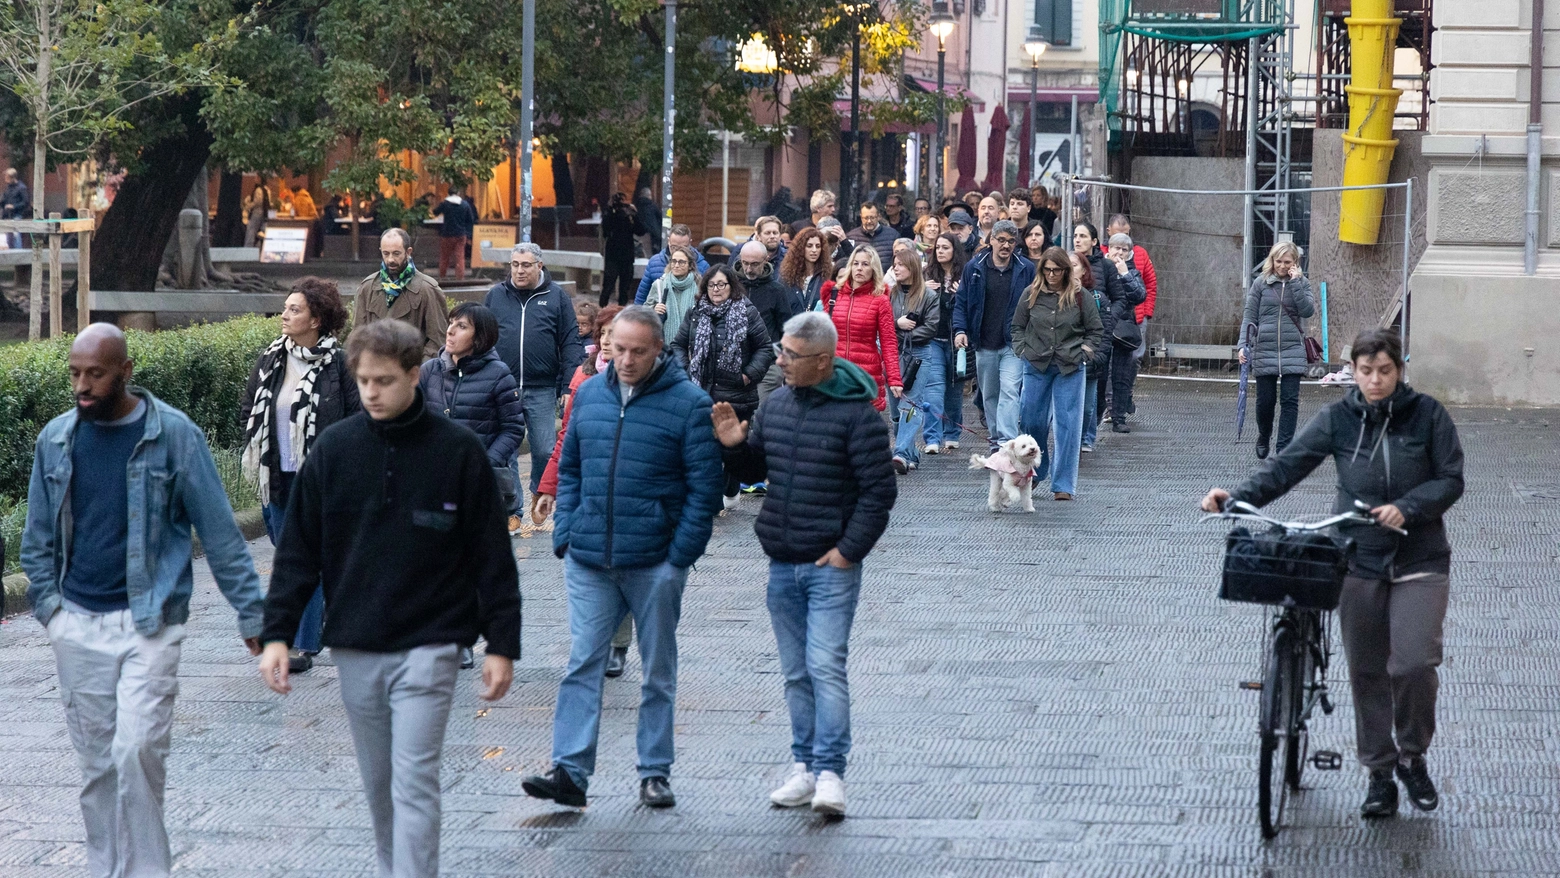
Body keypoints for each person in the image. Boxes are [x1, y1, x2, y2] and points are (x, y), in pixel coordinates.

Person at [260, 319, 521, 878]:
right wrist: (278, 633)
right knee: (380, 784)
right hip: (356, 641)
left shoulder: (459, 452)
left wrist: (502, 642)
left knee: (416, 776)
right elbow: (298, 551)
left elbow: (491, 555)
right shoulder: (335, 450)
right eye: (364, 381)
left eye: (383, 380)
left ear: (413, 375)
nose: (372, 392)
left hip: (433, 640)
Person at [23, 324, 265, 878]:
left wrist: (251, 611)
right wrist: (51, 613)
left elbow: (222, 534)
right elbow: (36, 540)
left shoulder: (174, 436)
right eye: (75, 374)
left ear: (126, 372)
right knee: (97, 768)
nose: (82, 386)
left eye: (96, 374)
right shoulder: (56, 439)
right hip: (76, 623)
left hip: (149, 621)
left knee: (136, 754)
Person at [1201, 329, 1464, 821]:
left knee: (1412, 665)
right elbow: (1288, 466)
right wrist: (1236, 499)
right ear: (1355, 371)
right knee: (1367, 673)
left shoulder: (1428, 415)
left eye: (1385, 371)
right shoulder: (1340, 418)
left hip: (1419, 559)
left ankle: (1412, 754)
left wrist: (1407, 508)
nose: (1375, 380)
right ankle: (1380, 774)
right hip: (1358, 556)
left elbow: (1451, 478)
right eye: (1366, 371)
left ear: (1399, 371)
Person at [522, 307, 724, 810]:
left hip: (655, 560)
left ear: (659, 349)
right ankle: (569, 771)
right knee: (582, 663)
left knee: (657, 669)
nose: (626, 360)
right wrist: (565, 533)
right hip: (590, 556)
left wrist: (679, 556)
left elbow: (705, 490)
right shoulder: (589, 394)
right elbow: (570, 468)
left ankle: (654, 771)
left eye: (638, 351)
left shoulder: (689, 404)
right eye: (618, 349)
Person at [711, 311, 897, 817]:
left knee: (825, 667)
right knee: (796, 673)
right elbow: (756, 468)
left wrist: (848, 551)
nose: (781, 361)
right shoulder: (777, 405)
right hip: (782, 560)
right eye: (781, 352)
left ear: (823, 360)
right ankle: (804, 767)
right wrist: (732, 447)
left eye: (790, 355)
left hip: (830, 565)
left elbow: (880, 493)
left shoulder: (858, 415)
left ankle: (831, 772)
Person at [240, 277, 358, 675]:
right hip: (275, 475)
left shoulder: (340, 364)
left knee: (300, 557)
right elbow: (249, 411)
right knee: (285, 546)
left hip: (320, 480)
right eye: (285, 308)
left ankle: (301, 643)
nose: (285, 316)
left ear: (317, 319)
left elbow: (356, 419)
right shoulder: (271, 359)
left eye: (294, 310)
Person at [535, 305, 637, 677]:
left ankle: (618, 645)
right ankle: (593, 640)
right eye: (604, 333)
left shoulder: (640, 380)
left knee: (621, 570)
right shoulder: (583, 375)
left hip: (628, 489)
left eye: (616, 333)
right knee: (590, 570)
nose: (609, 341)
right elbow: (567, 437)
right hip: (587, 489)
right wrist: (549, 485)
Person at [484, 242, 584, 525]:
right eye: (515, 264)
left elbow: (570, 343)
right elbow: (483, 338)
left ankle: (539, 492)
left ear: (539, 266)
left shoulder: (556, 297)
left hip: (542, 387)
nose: (519, 270)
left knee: (544, 448)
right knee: (508, 453)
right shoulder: (496, 296)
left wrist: (568, 386)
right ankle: (512, 510)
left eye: (526, 265)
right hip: (504, 387)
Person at [419, 300, 527, 560]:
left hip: (478, 483)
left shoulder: (499, 374)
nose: (451, 331)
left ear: (479, 337)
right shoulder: (429, 371)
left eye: (462, 326)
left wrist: (487, 462)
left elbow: (513, 428)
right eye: (451, 324)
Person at [671, 265, 774, 506]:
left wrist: (747, 375)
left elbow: (764, 348)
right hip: (702, 391)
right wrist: (687, 370)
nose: (716, 290)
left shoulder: (747, 312)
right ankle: (711, 499)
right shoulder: (696, 312)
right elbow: (677, 345)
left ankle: (730, 488)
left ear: (731, 286)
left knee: (731, 446)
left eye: (721, 284)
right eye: (711, 285)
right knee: (706, 447)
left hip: (737, 393)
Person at [1012, 247, 1104, 501]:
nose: (1051, 274)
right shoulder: (1030, 294)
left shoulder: (1079, 296)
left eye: (1057, 270)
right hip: (1036, 363)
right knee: (1032, 421)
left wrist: (1084, 351)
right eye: (1047, 270)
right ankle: (1037, 471)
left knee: (1068, 425)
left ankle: (1063, 483)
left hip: (1069, 365)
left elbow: (1095, 330)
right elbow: (1017, 326)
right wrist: (1022, 348)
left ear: (1066, 270)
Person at [952, 220, 1033, 443]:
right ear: (991, 241)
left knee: (1009, 391)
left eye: (1010, 241)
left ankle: (1006, 441)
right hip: (984, 341)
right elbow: (962, 301)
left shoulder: (1026, 268)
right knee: (989, 394)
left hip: (1013, 343)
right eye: (1001, 240)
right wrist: (960, 329)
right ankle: (996, 436)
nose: (1006, 245)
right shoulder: (974, 267)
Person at [1240, 241, 1316, 458]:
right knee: (1266, 401)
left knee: (1290, 401)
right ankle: (1264, 435)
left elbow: (1307, 311)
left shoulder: (1302, 283)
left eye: (1287, 262)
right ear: (1272, 260)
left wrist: (1295, 283)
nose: (1282, 266)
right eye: (1278, 261)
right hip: (1265, 347)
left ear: (1295, 263)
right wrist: (1242, 346)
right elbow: (1249, 316)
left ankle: (1284, 449)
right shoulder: (1261, 284)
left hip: (1293, 348)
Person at [819, 247, 903, 412]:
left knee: (861, 430)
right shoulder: (834, 295)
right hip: (836, 371)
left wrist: (894, 379)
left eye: (865, 264)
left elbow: (889, 343)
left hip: (865, 372)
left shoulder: (880, 300)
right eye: (856, 263)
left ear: (874, 268)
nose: (859, 268)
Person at [353, 228, 449, 361]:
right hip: (376, 371)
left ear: (408, 252)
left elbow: (438, 341)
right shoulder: (368, 288)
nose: (390, 259)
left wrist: (416, 372)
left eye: (396, 253)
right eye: (386, 254)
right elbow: (358, 337)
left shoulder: (427, 289)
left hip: (411, 373)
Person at [887, 251, 942, 474]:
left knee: (910, 405)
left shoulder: (928, 296)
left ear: (912, 267)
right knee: (895, 411)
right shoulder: (890, 293)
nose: (896, 269)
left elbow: (930, 328)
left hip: (919, 355)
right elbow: (884, 323)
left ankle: (899, 452)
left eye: (901, 265)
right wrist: (897, 325)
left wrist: (901, 334)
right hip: (892, 355)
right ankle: (910, 454)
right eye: (894, 265)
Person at [1105, 214, 1158, 414]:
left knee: (1133, 360)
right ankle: (1112, 406)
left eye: (1126, 237)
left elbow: (1150, 284)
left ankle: (1126, 394)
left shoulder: (1140, 255)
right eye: (1117, 239)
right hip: (1109, 320)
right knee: (1109, 365)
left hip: (1134, 318)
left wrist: (1146, 312)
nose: (1121, 247)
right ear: (1109, 233)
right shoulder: (1102, 257)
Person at [735, 240, 799, 403]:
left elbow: (786, 329)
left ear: (766, 261)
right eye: (745, 263)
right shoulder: (730, 286)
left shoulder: (776, 290)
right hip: (733, 362)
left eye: (754, 264)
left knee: (761, 417)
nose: (749, 269)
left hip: (768, 365)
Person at [925, 232, 968, 453]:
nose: (940, 251)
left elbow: (973, 306)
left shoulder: (967, 275)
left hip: (957, 340)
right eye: (938, 247)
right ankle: (932, 437)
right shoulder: (927, 275)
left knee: (954, 389)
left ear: (955, 251)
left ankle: (952, 433)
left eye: (945, 247)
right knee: (934, 387)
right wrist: (925, 291)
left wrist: (961, 293)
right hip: (933, 338)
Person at [1101, 233, 1148, 433]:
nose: (1119, 252)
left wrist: (1125, 274)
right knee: (1102, 374)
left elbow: (1139, 295)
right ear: (1108, 249)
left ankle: (1118, 417)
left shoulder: (1132, 271)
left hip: (1123, 331)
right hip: (1101, 327)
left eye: (1124, 249)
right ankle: (1100, 414)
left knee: (1121, 375)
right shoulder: (1099, 268)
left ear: (1129, 253)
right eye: (1116, 248)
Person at [1069, 250, 1106, 454]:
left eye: (1074, 265)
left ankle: (1083, 437)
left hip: (1088, 359)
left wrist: (1093, 355)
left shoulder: (1096, 298)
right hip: (1064, 360)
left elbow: (1103, 331)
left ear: (1084, 270)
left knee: (1086, 408)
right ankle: (1070, 440)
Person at [635, 223, 710, 304]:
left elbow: (708, 300)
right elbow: (641, 297)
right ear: (668, 241)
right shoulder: (655, 263)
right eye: (674, 247)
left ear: (690, 243)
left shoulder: (703, 266)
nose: (678, 251)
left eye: (683, 247)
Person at [643, 243, 702, 344]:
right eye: (673, 261)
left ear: (690, 265)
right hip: (665, 345)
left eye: (682, 262)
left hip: (692, 345)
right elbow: (644, 312)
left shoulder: (699, 285)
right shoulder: (659, 285)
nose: (676, 265)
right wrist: (654, 309)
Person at [780, 227, 835, 313]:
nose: (814, 250)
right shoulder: (787, 276)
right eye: (809, 246)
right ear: (801, 248)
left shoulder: (828, 275)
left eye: (818, 246)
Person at [432, 184, 478, 281]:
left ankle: (442, 276)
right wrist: (468, 233)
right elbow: (470, 219)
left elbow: (435, 212)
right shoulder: (465, 204)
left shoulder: (445, 204)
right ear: (458, 193)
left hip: (447, 233)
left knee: (445, 256)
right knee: (460, 257)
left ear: (448, 193)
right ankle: (460, 277)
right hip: (460, 234)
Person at [601, 192, 639, 306]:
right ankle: (602, 307)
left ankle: (622, 308)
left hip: (627, 255)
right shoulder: (609, 214)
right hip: (613, 255)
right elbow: (605, 231)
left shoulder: (629, 216)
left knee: (625, 287)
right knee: (608, 285)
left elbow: (640, 230)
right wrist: (609, 211)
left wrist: (634, 214)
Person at [846, 201, 898, 268]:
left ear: (878, 216)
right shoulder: (852, 237)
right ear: (861, 217)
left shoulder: (893, 236)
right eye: (866, 218)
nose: (869, 221)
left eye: (872, 217)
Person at [633, 186, 662, 256]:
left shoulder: (636, 206)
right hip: (653, 234)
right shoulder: (653, 206)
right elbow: (660, 217)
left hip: (639, 233)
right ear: (649, 195)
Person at [243, 182, 270, 248]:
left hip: (256, 212)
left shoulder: (258, 190)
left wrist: (248, 206)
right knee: (261, 232)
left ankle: (248, 248)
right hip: (265, 213)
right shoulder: (267, 190)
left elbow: (257, 202)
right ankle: (258, 247)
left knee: (251, 231)